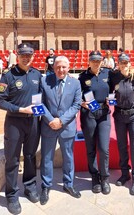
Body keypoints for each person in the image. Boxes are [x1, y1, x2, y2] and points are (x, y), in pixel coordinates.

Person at [0, 43, 42, 215]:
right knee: (13, 159)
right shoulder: (8, 75)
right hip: (15, 123)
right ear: (17, 55)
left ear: (33, 56)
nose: (26, 57)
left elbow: (41, 97)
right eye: (23, 55)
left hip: (33, 123)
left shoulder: (37, 74)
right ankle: (12, 195)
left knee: (30, 156)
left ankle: (29, 187)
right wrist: (20, 109)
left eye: (29, 55)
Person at [40, 56, 82, 204]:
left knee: (68, 157)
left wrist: (61, 120)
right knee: (46, 158)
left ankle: (68, 184)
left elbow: (76, 105)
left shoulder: (75, 83)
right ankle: (45, 186)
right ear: (53, 67)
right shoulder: (44, 81)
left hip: (67, 126)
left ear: (68, 68)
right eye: (58, 67)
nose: (61, 70)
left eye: (64, 67)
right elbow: (40, 103)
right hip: (48, 125)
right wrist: (51, 119)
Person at [108, 53, 134, 195]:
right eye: (121, 62)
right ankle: (124, 173)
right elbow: (109, 94)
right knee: (122, 145)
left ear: (130, 63)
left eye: (126, 62)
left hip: (133, 116)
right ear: (118, 64)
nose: (124, 64)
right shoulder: (114, 77)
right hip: (119, 116)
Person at [78, 51, 111, 195]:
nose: (96, 63)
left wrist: (113, 98)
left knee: (104, 148)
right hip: (89, 114)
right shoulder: (83, 76)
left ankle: (104, 177)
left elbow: (116, 88)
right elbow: (75, 94)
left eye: (98, 60)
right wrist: (81, 103)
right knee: (91, 147)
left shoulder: (108, 74)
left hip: (103, 114)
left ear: (102, 61)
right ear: (89, 61)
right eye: (93, 60)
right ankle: (95, 177)